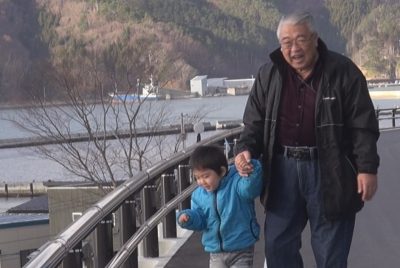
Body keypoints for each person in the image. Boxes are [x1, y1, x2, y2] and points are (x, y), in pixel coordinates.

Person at [234, 11, 380, 268]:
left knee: (331, 253)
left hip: (331, 170)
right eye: (286, 42)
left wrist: (367, 168)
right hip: (282, 171)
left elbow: (363, 125)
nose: (293, 48)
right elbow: (253, 123)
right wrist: (246, 150)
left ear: (315, 38)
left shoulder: (343, 72)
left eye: (300, 40)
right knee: (278, 248)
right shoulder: (269, 74)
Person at [177, 145, 263, 268]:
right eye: (197, 177)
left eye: (206, 176)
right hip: (216, 252)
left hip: (241, 249)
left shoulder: (236, 183)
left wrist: (250, 168)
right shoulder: (199, 195)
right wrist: (188, 218)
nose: (201, 182)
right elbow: (200, 219)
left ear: (222, 172)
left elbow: (250, 189)